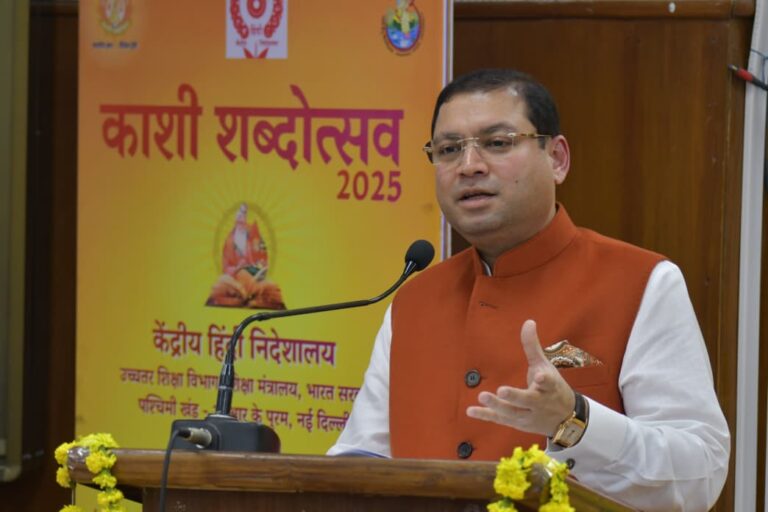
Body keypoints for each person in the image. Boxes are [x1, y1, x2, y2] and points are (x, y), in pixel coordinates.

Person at [327, 69, 730, 512]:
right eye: (448, 150)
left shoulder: (642, 281)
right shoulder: (415, 300)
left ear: (556, 158)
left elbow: (699, 474)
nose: (469, 165)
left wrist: (575, 421)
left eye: (497, 143)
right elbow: (362, 459)